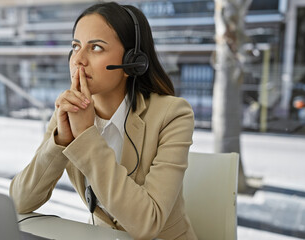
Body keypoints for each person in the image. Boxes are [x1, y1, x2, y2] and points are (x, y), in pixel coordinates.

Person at [10, 2, 197, 239]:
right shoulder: (68, 113)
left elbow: (147, 224)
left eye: (96, 48)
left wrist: (86, 136)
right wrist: (60, 142)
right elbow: (19, 201)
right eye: (75, 46)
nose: (78, 59)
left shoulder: (173, 115)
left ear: (133, 61)